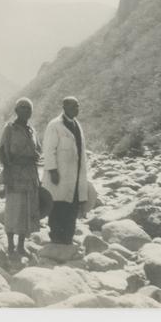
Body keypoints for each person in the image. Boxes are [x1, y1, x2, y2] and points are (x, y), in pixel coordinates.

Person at [0, 98, 41, 256]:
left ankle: (21, 246)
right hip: (14, 175)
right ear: (16, 110)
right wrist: (9, 172)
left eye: (29, 108)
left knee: (26, 211)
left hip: (30, 176)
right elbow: (2, 153)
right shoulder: (9, 129)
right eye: (22, 107)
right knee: (13, 210)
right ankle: (10, 246)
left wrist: (34, 158)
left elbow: (38, 151)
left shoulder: (32, 131)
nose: (26, 110)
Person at [41, 96, 90, 245]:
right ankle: (56, 238)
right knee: (57, 206)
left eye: (78, 106)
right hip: (59, 175)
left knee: (72, 206)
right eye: (73, 106)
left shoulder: (77, 125)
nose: (77, 109)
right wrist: (52, 170)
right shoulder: (55, 125)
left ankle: (68, 237)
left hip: (74, 176)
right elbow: (49, 150)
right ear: (64, 107)